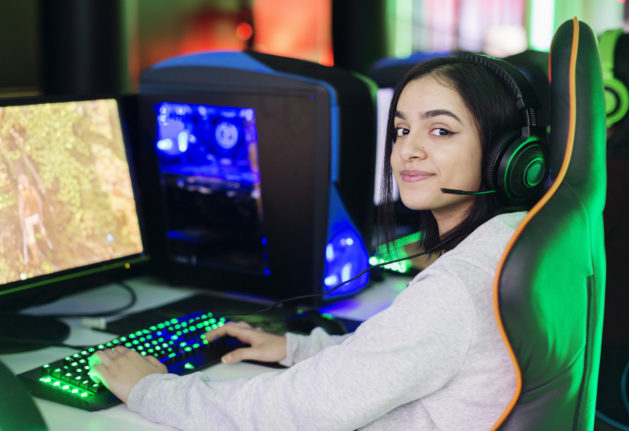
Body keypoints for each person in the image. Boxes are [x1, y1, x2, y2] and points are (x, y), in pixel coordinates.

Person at [90, 54, 543, 430]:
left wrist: (149, 389)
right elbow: (397, 360)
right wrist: (297, 348)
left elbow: (293, 411)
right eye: (402, 130)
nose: (408, 150)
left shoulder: (454, 291)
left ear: (506, 156)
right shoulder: (513, 245)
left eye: (440, 130)